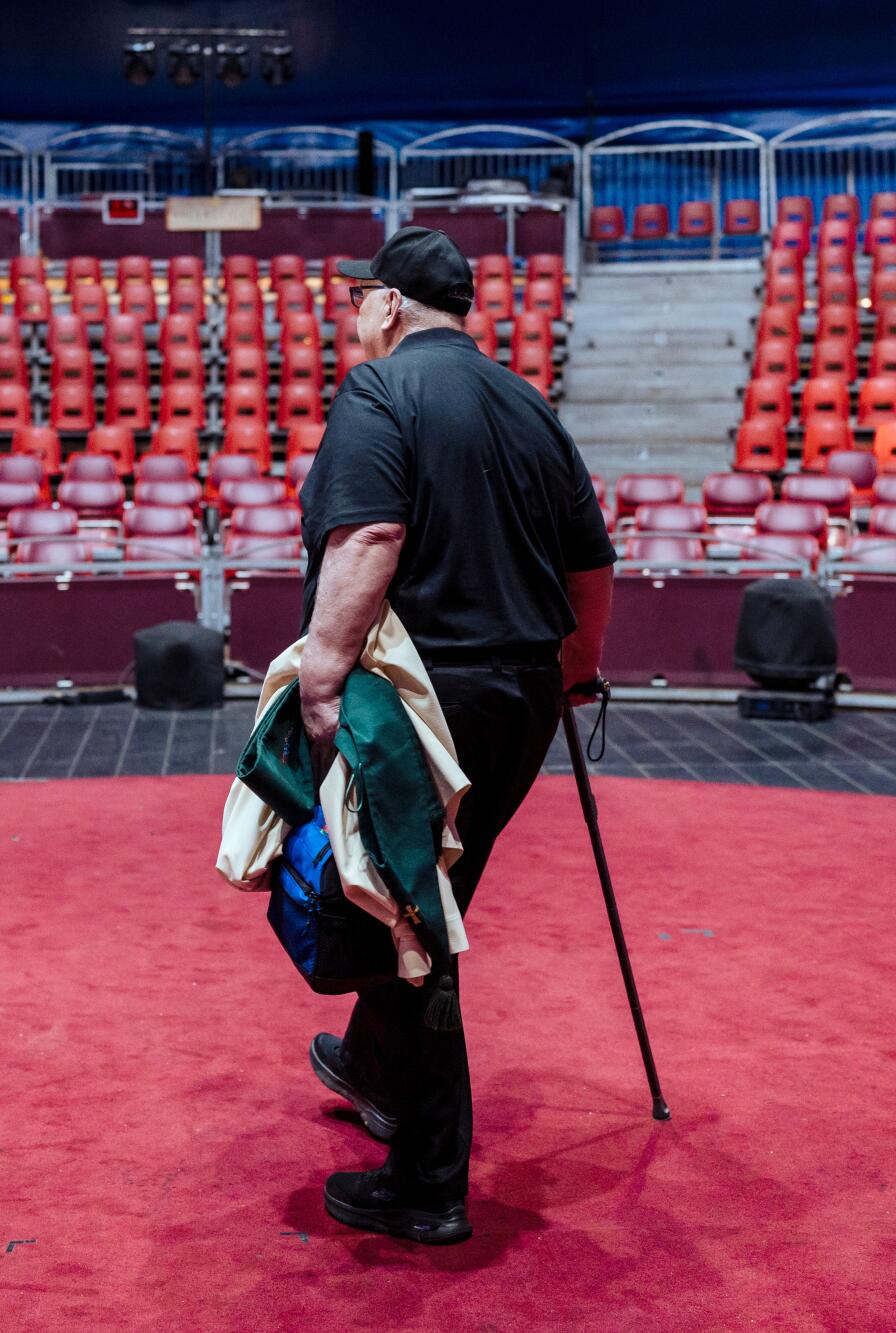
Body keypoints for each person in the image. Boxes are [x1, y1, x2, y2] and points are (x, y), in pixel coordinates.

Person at [295, 226, 617, 1244]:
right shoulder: (531, 406)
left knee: (408, 924)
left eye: (360, 299)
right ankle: (372, 1062)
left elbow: (370, 536)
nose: (354, 314)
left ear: (388, 305)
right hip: (519, 700)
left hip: (424, 701)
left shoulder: (377, 390)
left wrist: (319, 672)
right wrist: (571, 672)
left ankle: (428, 1179)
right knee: (417, 892)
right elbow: (590, 569)